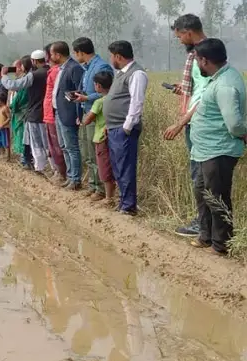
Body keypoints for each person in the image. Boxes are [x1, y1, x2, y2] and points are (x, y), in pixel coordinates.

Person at [167, 39, 245, 255]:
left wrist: (243, 134)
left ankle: (221, 245)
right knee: (203, 193)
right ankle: (206, 236)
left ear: (204, 60)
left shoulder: (226, 85)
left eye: (197, 61)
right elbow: (204, 105)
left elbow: (235, 123)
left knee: (217, 197)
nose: (196, 66)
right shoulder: (216, 78)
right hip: (205, 151)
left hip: (219, 150)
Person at [168, 14, 210, 238]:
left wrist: (181, 121)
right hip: (192, 120)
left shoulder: (206, 54)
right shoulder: (196, 53)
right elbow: (198, 88)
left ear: (188, 32)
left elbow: (207, 94)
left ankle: (204, 225)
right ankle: (204, 222)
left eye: (179, 37)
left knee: (200, 175)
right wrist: (183, 88)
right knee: (198, 174)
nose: (179, 41)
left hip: (199, 122)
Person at [103, 40, 148, 216]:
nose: (111, 59)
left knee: (125, 167)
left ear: (118, 56)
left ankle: (129, 206)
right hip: (114, 127)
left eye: (112, 56)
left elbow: (136, 102)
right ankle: (123, 201)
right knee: (118, 167)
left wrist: (127, 127)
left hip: (124, 129)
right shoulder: (121, 73)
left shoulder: (136, 74)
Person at [72, 37, 114, 201]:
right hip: (85, 112)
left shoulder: (101, 66)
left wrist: (87, 97)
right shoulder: (87, 68)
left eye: (76, 53)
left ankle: (101, 189)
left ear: (82, 52)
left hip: (96, 115)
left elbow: (107, 91)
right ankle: (93, 184)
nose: (76, 56)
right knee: (87, 152)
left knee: (96, 153)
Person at [1, 51, 50, 176]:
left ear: (33, 61)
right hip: (47, 112)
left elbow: (13, 85)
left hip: (34, 114)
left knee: (37, 143)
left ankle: (41, 168)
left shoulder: (32, 76)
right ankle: (47, 167)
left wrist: (4, 75)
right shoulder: (50, 71)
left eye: (20, 66)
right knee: (46, 142)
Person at [52, 41, 85, 190]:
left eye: (52, 54)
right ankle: (70, 176)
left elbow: (79, 91)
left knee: (72, 147)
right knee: (64, 146)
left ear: (58, 55)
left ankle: (76, 179)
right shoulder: (62, 68)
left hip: (68, 113)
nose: (51, 57)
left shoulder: (74, 68)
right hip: (59, 111)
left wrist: (78, 114)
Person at [82, 71, 117, 208]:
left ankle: (109, 197)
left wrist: (81, 121)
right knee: (114, 165)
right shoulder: (114, 98)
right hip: (113, 136)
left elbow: (88, 119)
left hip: (101, 137)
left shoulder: (99, 102)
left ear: (98, 86)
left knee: (104, 167)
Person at [42, 43, 67, 182]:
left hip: (53, 114)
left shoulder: (57, 71)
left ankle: (62, 174)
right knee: (53, 146)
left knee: (58, 146)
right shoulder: (52, 71)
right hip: (48, 113)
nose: (48, 57)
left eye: (49, 54)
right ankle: (58, 171)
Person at [10, 58, 32, 168]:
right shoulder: (18, 80)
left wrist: (12, 106)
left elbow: (20, 99)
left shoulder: (24, 80)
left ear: (21, 67)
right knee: (20, 135)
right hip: (18, 113)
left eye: (16, 68)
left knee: (24, 136)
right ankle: (24, 158)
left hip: (22, 113)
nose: (14, 70)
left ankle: (25, 160)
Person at [0, 92, 11, 159]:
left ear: (0, 101)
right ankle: (1, 154)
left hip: (4, 128)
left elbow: (9, 118)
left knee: (6, 142)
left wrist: (3, 124)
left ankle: (8, 156)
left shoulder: (5, 108)